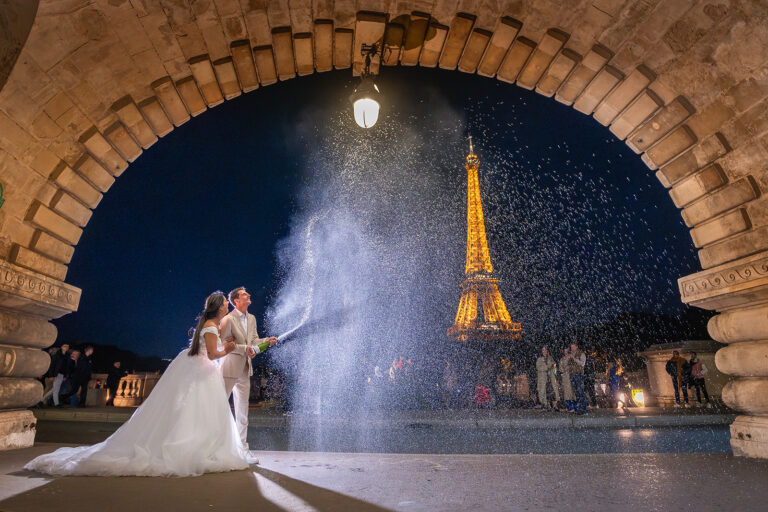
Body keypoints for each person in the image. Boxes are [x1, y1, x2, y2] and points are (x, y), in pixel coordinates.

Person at [24, 291, 257, 477]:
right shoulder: (209, 326)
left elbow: (211, 350)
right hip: (204, 370)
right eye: (225, 303)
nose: (227, 305)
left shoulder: (210, 325)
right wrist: (227, 347)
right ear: (219, 307)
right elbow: (214, 354)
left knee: (196, 412)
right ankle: (196, 448)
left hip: (202, 370)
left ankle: (204, 446)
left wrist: (225, 345)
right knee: (197, 411)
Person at [219, 287, 278, 449]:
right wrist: (244, 348)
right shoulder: (228, 319)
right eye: (245, 294)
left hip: (245, 370)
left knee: (243, 412)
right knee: (219, 406)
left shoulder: (251, 318)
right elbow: (222, 345)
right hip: (229, 368)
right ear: (236, 301)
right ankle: (217, 446)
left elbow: (254, 341)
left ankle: (242, 448)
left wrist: (267, 340)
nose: (249, 295)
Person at [567, 343, 588, 414]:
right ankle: (579, 408)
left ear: (577, 347)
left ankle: (584, 408)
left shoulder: (581, 354)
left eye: (573, 347)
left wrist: (574, 359)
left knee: (580, 391)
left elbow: (582, 363)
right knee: (576, 392)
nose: (572, 348)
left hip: (578, 375)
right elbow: (569, 365)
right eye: (571, 347)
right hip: (572, 375)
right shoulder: (570, 354)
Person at [559, 347, 575, 412]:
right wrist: (565, 370)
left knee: (573, 391)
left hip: (572, 376)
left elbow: (575, 365)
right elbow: (560, 368)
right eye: (564, 351)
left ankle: (575, 406)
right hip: (565, 377)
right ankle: (569, 407)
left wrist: (571, 369)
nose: (566, 352)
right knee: (567, 392)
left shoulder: (572, 358)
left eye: (567, 351)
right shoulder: (562, 359)